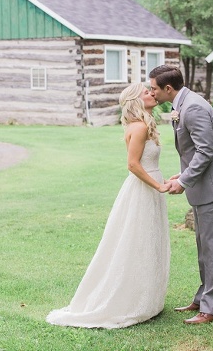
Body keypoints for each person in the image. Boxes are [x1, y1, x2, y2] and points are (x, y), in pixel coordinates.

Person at [46, 83, 170, 329]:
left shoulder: (143, 125)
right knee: (137, 242)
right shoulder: (139, 126)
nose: (152, 94)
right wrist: (158, 186)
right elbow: (133, 165)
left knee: (148, 241)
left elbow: (147, 164)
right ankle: (130, 299)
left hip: (151, 187)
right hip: (143, 191)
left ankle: (146, 296)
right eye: (146, 92)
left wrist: (165, 180)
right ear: (136, 100)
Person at [148, 65, 213, 325]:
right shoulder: (184, 103)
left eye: (153, 88)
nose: (151, 92)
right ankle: (203, 298)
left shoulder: (194, 107)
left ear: (168, 89)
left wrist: (185, 181)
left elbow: (205, 152)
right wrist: (183, 175)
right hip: (204, 185)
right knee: (204, 247)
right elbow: (195, 152)